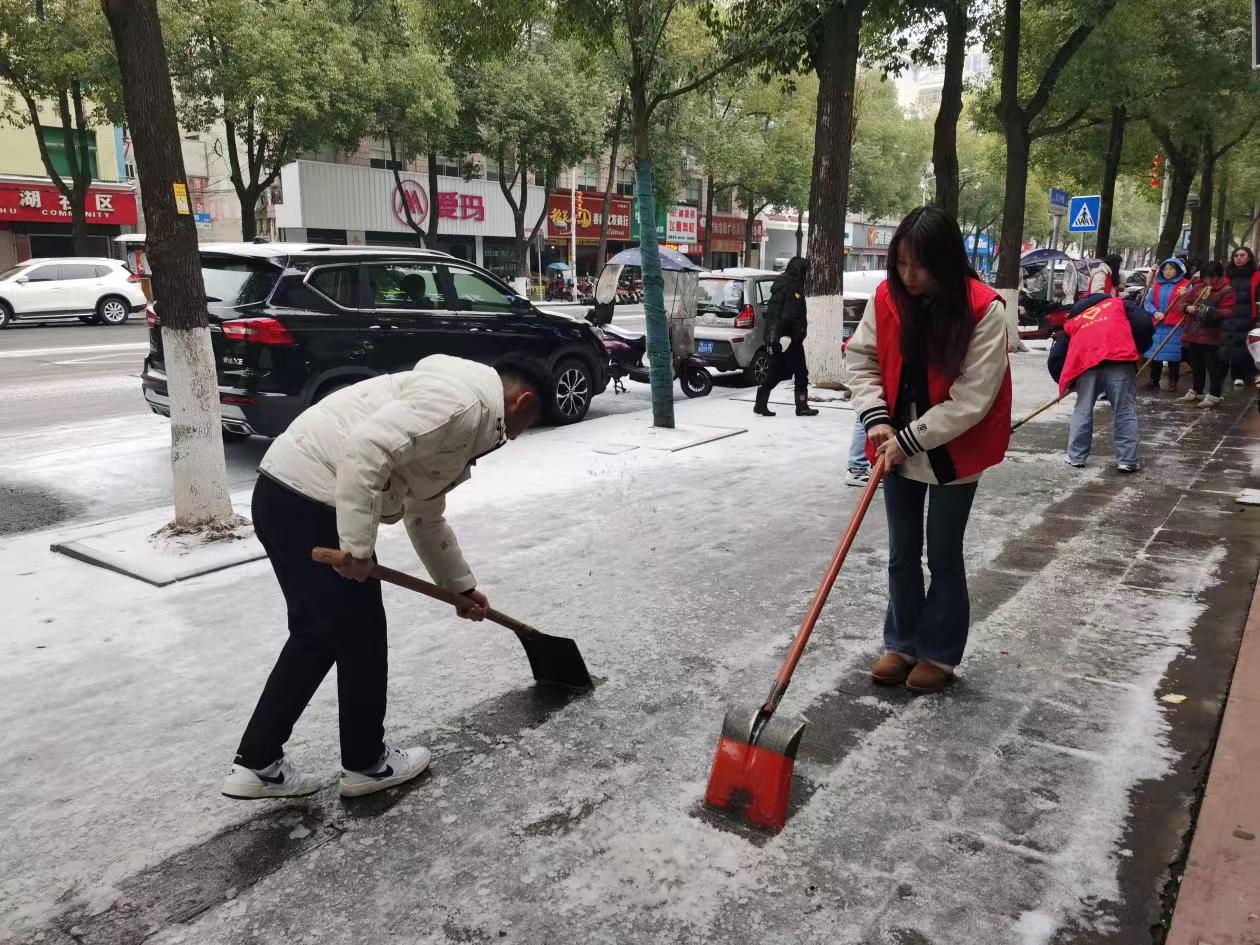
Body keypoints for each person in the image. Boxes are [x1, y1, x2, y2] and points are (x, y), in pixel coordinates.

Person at [222, 354, 547, 800]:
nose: (519, 436)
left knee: (317, 634)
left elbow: (424, 516)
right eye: (529, 423)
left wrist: (461, 588)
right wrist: (357, 549)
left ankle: (258, 762)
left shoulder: (459, 413)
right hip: (315, 500)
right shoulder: (461, 406)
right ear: (522, 402)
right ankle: (366, 764)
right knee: (361, 637)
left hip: (283, 495)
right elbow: (366, 450)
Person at [847, 207, 1012, 695]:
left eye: (919, 265)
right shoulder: (887, 298)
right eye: (900, 263)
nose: (908, 276)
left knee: (943, 553)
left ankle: (938, 651)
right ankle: (900, 642)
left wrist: (908, 439)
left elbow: (972, 398)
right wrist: (877, 418)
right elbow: (862, 359)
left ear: (945, 260)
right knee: (902, 551)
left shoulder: (983, 310)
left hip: (953, 450)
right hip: (894, 445)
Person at [1048, 291, 1154, 472]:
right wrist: (1138, 347)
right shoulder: (1119, 304)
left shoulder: (1075, 319)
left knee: (1083, 409)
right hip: (1120, 360)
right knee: (1124, 410)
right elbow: (1144, 323)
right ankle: (1127, 460)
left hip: (1086, 364)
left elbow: (1056, 355)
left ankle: (1076, 456)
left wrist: (1069, 382)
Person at [754, 256, 819, 417]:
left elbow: (775, 313)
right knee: (800, 372)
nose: (807, 275)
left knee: (778, 371)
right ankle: (802, 407)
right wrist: (794, 335)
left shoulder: (781, 283)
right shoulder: (793, 287)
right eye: (805, 271)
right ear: (800, 271)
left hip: (777, 336)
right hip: (789, 338)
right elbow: (791, 315)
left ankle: (760, 403)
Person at [1177, 262, 1235, 407]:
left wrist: (1210, 311)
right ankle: (1197, 390)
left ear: (1220, 276)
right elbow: (1184, 302)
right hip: (1194, 332)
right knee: (1196, 365)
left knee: (1214, 367)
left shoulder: (1227, 291)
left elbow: (1229, 311)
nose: (1208, 281)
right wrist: (1187, 307)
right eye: (1205, 278)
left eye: (1212, 277)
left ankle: (1214, 395)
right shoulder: (1198, 287)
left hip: (1213, 335)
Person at [1142, 258, 1190, 391]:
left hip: (1175, 325)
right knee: (1155, 354)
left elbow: (1190, 303)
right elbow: (1148, 301)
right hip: (1158, 324)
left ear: (1178, 270)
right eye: (1165, 269)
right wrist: (1155, 312)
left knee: (1173, 355)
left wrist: (1185, 296)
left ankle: (1173, 382)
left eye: (1171, 269)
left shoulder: (1185, 285)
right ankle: (1154, 381)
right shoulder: (1157, 285)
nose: (1167, 272)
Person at [1222, 247, 1260, 389]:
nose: (1238, 258)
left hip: (1248, 316)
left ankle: (1241, 375)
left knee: (1244, 346)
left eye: (1242, 255)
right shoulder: (1226, 275)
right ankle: (1225, 375)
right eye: (1236, 255)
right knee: (1227, 345)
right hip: (1228, 315)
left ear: (1249, 257)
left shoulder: (1256, 275)